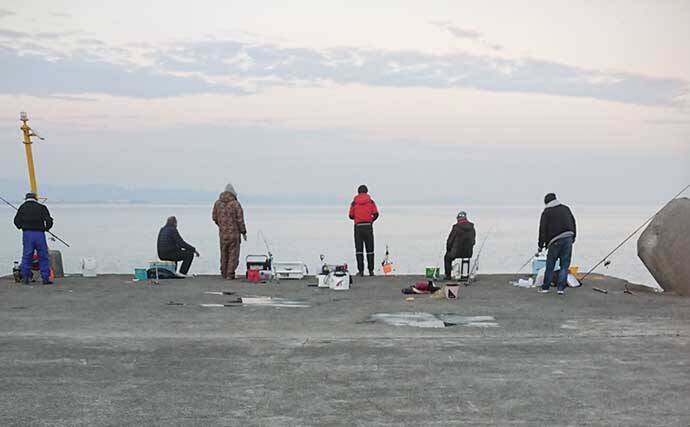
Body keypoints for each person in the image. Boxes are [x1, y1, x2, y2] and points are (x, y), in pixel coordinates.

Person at [538, 193, 576, 295]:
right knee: (564, 265)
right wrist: (573, 237)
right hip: (568, 238)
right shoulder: (566, 209)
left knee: (550, 265)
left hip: (554, 241)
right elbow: (573, 222)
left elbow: (542, 230)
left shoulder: (546, 212)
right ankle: (560, 289)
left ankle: (546, 287)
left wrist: (540, 246)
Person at [14, 193, 54, 285]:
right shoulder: (42, 207)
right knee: (43, 256)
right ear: (36, 198)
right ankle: (45, 278)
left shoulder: (22, 207)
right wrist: (46, 228)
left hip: (27, 233)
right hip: (40, 234)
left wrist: (21, 227)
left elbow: (16, 221)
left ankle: (25, 278)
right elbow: (49, 220)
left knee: (27, 255)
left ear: (26, 199)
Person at [212, 184, 247, 280]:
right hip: (234, 233)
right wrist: (243, 231)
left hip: (223, 234)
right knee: (233, 254)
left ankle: (223, 272)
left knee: (224, 253)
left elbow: (214, 217)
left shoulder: (217, 203)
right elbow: (240, 219)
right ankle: (230, 274)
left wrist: (221, 225)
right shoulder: (235, 204)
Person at [348, 184, 379, 276]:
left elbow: (350, 216)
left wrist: (357, 217)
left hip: (358, 227)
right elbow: (376, 214)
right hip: (368, 226)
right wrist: (371, 220)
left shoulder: (354, 202)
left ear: (358, 192)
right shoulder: (371, 202)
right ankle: (371, 270)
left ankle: (361, 271)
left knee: (359, 250)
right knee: (370, 249)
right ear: (366, 192)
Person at [443, 211, 476, 280]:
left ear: (458, 219)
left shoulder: (456, 228)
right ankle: (465, 273)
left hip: (456, 253)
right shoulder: (472, 228)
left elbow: (449, 241)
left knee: (447, 257)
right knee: (453, 255)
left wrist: (448, 249)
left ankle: (448, 275)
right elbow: (473, 242)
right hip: (468, 253)